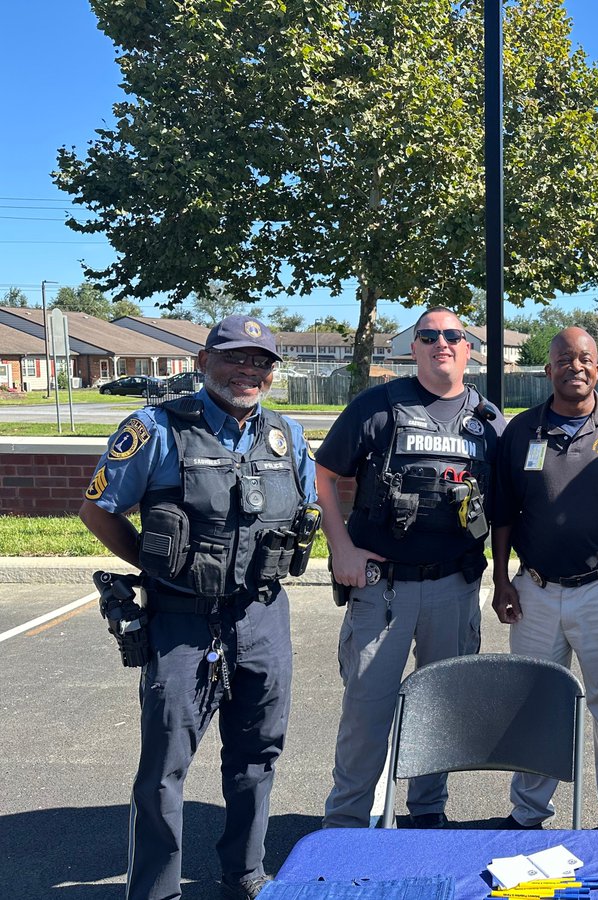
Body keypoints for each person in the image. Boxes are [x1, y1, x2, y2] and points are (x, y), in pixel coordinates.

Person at [79, 315, 318, 900]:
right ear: (204, 361)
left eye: (261, 362)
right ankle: (157, 890)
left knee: (258, 754)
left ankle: (245, 874)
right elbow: (98, 510)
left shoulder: (287, 435)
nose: (248, 370)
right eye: (235, 357)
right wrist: (154, 565)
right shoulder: (155, 428)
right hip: (182, 621)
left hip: (262, 616)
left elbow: (307, 509)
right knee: (165, 766)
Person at [318, 306, 505, 829]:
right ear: (413, 347)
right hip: (384, 590)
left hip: (455, 586)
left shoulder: (489, 420)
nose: (441, 343)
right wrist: (341, 549)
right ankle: (346, 825)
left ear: (468, 349)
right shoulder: (377, 406)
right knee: (367, 712)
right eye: (429, 335)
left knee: (442, 708)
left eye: (453, 335)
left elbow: (507, 504)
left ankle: (427, 815)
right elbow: (324, 474)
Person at [490, 327, 598, 829]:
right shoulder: (521, 431)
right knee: (534, 706)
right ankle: (527, 814)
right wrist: (501, 578)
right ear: (548, 370)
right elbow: (503, 513)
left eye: (585, 358)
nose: (576, 367)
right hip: (535, 590)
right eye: (565, 359)